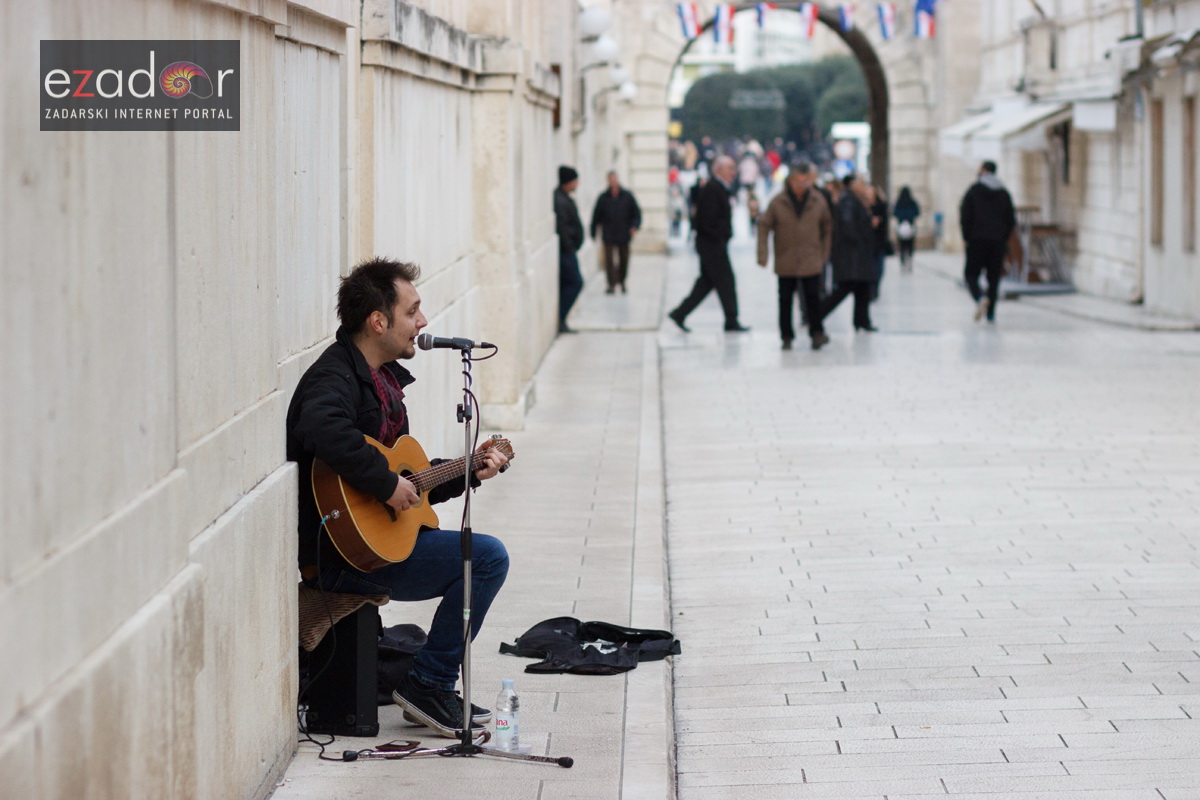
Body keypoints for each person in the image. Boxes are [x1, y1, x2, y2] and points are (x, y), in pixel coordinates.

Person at [286, 257, 511, 738]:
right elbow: (322, 427)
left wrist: (469, 470)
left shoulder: (382, 383)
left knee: (480, 553)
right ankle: (428, 684)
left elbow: (411, 486)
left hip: (370, 543)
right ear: (378, 321)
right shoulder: (335, 378)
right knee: (487, 557)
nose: (424, 323)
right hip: (342, 554)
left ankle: (429, 683)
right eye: (413, 312)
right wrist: (386, 485)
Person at [668, 156, 750, 333]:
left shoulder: (718, 188)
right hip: (712, 245)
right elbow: (706, 220)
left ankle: (680, 313)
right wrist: (721, 235)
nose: (733, 172)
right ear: (718, 169)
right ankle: (731, 320)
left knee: (706, 283)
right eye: (729, 168)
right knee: (726, 281)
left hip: (712, 244)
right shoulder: (713, 189)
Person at [756, 161, 832, 351]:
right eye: (797, 181)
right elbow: (764, 226)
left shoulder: (817, 200)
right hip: (786, 258)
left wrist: (824, 253)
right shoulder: (778, 202)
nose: (801, 185)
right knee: (785, 299)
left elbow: (827, 227)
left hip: (810, 258)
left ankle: (817, 333)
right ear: (789, 181)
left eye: (805, 181)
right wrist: (763, 254)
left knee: (813, 298)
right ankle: (786, 336)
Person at [959, 161, 1016, 323]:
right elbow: (1011, 220)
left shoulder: (973, 191)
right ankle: (991, 313)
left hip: (976, 240)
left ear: (983, 171)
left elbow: (965, 216)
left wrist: (966, 238)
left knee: (970, 275)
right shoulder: (1004, 193)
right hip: (997, 242)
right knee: (994, 278)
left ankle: (980, 297)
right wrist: (1003, 238)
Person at [818, 174, 876, 332]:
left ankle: (862, 321)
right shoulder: (848, 201)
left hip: (856, 254)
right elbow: (848, 224)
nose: (864, 185)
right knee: (844, 288)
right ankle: (816, 315)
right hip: (852, 254)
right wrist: (859, 241)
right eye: (860, 182)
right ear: (851, 184)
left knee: (862, 288)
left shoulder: (855, 200)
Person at [589, 171, 642, 294]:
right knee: (609, 260)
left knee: (624, 259)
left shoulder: (627, 196)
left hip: (624, 233)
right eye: (610, 179)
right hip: (608, 233)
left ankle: (622, 281)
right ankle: (611, 284)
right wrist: (593, 232)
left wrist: (634, 226)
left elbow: (636, 214)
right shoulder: (603, 198)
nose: (612, 182)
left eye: (614, 179)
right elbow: (596, 216)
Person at [554, 166, 585, 333]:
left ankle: (562, 319)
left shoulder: (564, 198)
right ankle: (561, 318)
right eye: (575, 180)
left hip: (569, 250)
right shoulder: (560, 200)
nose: (577, 183)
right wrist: (569, 246)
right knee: (575, 283)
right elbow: (562, 226)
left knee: (571, 284)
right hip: (566, 252)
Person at [868, 184, 891, 301]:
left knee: (879, 268)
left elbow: (885, 219)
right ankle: (871, 289)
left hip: (880, 242)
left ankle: (876, 286)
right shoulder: (864, 206)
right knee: (871, 268)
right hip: (868, 244)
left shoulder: (881, 206)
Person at [893, 185, 920, 272]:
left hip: (900, 226)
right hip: (911, 225)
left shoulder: (898, 202)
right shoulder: (912, 202)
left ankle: (903, 262)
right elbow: (917, 212)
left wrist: (902, 217)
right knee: (910, 245)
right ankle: (909, 261)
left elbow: (895, 213)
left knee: (902, 246)